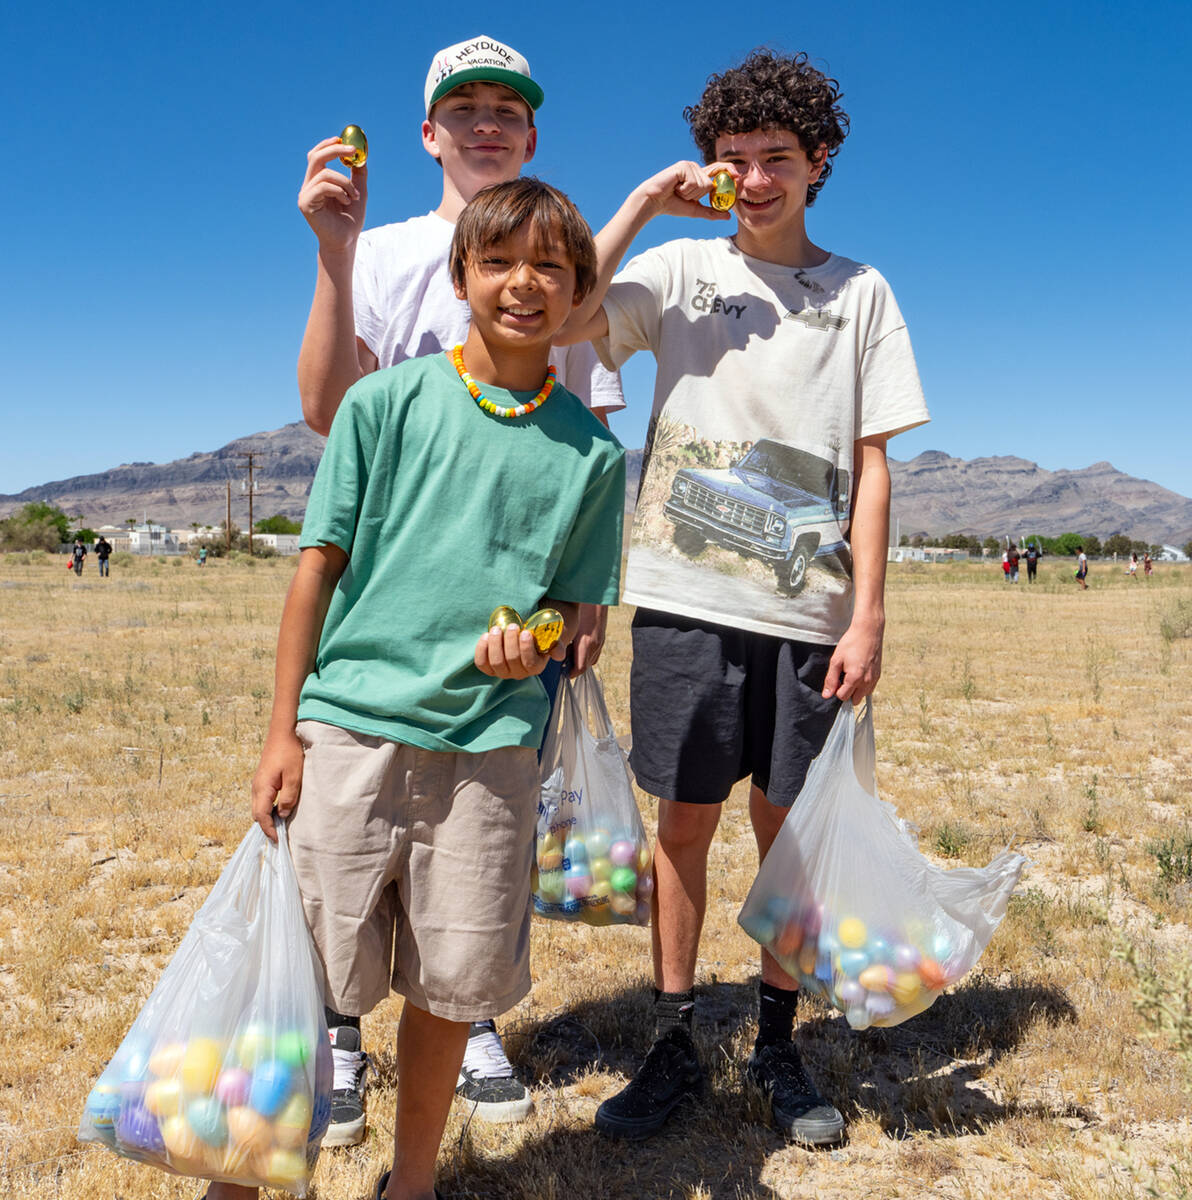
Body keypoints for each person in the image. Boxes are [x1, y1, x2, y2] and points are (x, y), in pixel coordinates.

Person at [205, 179, 624, 1200]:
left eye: (550, 268)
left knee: (449, 989)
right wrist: (283, 734)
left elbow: (575, 619)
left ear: (576, 295)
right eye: (499, 262)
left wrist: (537, 645)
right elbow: (316, 572)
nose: (523, 284)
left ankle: (414, 1181)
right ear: (461, 276)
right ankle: (244, 1178)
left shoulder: (594, 453)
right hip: (349, 733)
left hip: (489, 756)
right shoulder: (382, 406)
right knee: (297, 981)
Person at [555, 50, 929, 1145]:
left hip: (807, 614)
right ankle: (671, 1041)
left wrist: (865, 615)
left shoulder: (860, 291)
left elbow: (871, 464)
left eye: (777, 159)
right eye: (734, 160)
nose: (754, 179)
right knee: (682, 824)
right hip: (682, 595)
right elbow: (571, 317)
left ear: (818, 163)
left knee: (788, 834)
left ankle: (776, 1041)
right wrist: (637, 202)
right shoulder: (675, 272)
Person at [295, 35, 624, 1136]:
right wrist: (334, 257)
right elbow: (330, 411)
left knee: (463, 910)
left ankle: (462, 1018)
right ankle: (337, 1040)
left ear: (532, 134)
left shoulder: (561, 281)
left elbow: (577, 464)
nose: (487, 123)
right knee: (330, 910)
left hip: (491, 699)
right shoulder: (389, 256)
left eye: (508, 109)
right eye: (463, 108)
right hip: (380, 646)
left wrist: (550, 627)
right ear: (429, 132)